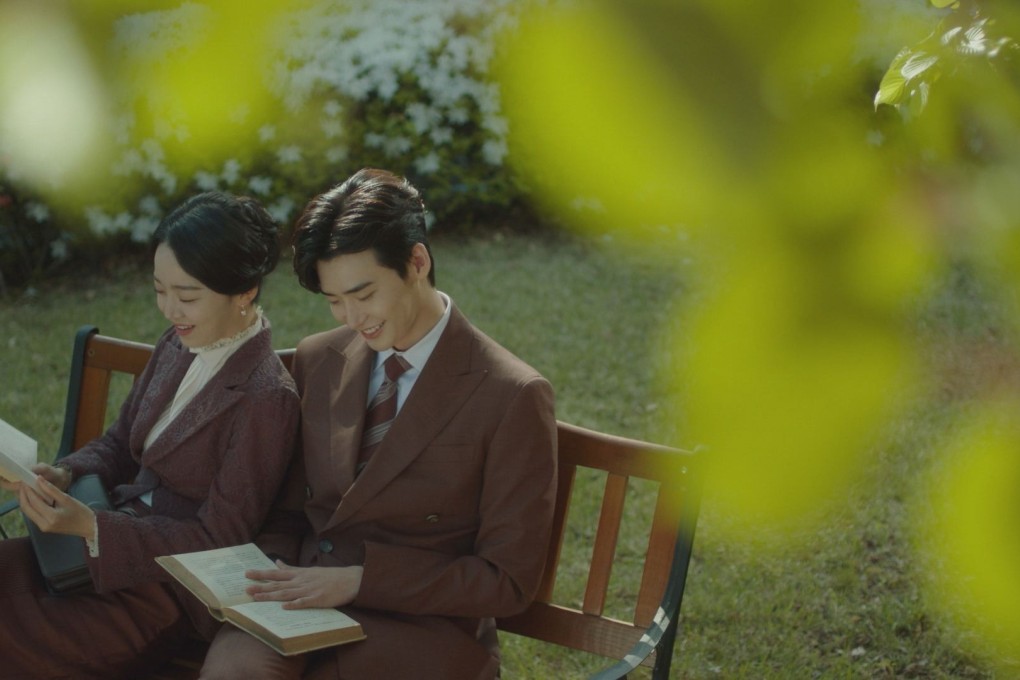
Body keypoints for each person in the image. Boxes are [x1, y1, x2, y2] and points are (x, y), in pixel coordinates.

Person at [199, 168, 558, 679]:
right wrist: (269, 577)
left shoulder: (512, 395)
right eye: (333, 300)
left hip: (420, 632)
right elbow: (288, 508)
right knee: (234, 671)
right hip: (299, 603)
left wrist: (360, 581)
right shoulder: (319, 358)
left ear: (416, 261)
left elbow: (506, 581)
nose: (350, 317)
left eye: (363, 295)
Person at [0, 191, 301, 679]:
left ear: (244, 291)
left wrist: (94, 529)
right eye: (160, 289)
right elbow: (121, 442)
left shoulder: (266, 399)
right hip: (87, 553)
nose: (169, 309)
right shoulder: (177, 344)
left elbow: (220, 540)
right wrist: (65, 470)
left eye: (186, 295)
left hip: (164, 594)